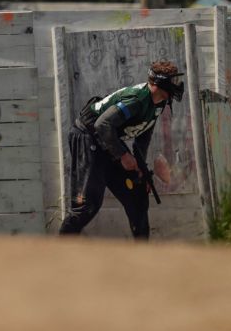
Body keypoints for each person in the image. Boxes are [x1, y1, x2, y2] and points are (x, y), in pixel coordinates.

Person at [58, 60, 183, 239]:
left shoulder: (159, 104)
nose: (175, 87)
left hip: (109, 141)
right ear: (159, 83)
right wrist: (123, 155)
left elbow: (143, 136)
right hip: (89, 137)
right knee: (87, 205)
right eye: (171, 82)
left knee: (138, 194)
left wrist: (140, 168)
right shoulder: (137, 100)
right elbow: (103, 124)